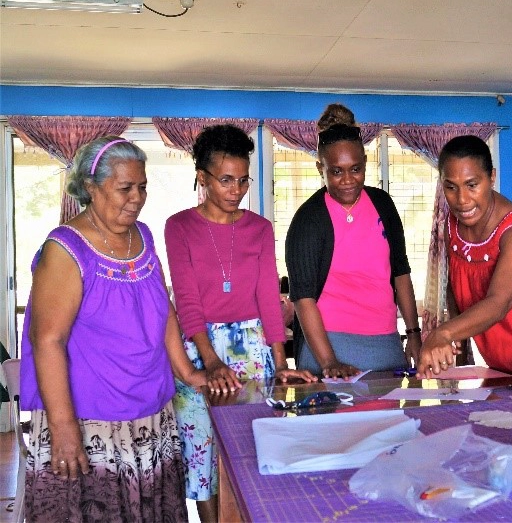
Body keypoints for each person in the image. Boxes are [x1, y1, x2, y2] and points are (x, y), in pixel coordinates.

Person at [19, 136, 207, 522]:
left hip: (149, 414)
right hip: (89, 421)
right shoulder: (66, 249)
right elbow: (47, 340)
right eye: (124, 188)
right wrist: (64, 428)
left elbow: (163, 310)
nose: (136, 198)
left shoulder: (144, 236)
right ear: (91, 187)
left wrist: (187, 372)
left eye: (142, 187)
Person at [165, 124, 316, 523]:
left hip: (253, 348)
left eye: (243, 180)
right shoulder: (179, 227)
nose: (236, 189)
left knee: (249, 452)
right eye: (226, 180)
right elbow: (187, 300)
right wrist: (211, 361)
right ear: (203, 177)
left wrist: (280, 363)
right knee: (202, 456)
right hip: (198, 350)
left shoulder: (259, 229)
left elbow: (269, 298)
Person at [416, 135, 512, 380]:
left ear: (491, 177)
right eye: (451, 187)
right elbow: (454, 289)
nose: (462, 200)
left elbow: (500, 302)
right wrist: (456, 350)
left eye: (472, 185)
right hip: (498, 370)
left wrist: (444, 333)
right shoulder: (451, 226)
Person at [286, 104, 421, 378]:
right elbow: (303, 298)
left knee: (393, 420)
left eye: (355, 169)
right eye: (336, 171)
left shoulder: (382, 203)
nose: (347, 180)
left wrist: (414, 333)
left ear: (365, 164)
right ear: (320, 168)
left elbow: (401, 272)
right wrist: (328, 362)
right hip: (328, 343)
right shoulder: (308, 220)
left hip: (385, 342)